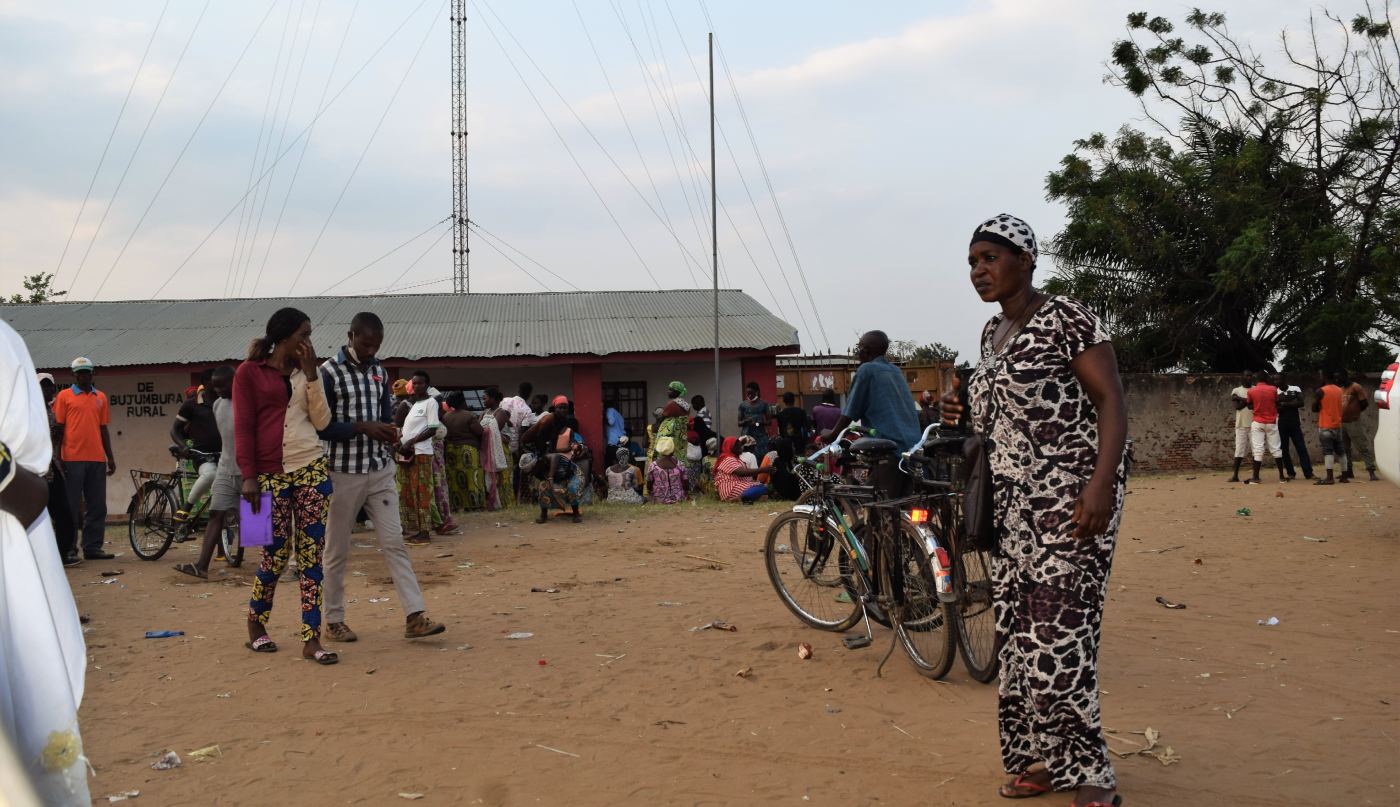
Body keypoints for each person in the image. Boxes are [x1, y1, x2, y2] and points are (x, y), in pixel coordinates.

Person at [941, 214, 1127, 807]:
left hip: (1071, 502)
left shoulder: (1066, 318)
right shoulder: (991, 333)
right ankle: (1039, 760)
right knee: (1018, 638)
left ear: (1026, 260)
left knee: (1059, 634)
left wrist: (1100, 484)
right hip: (1012, 508)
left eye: (990, 258)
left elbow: (1110, 401)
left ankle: (1090, 775)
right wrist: (959, 413)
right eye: (973, 262)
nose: (979, 271)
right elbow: (997, 425)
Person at [1, 318, 92, 805]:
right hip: (68, 460)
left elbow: (28, 483)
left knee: (78, 518)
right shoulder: (65, 402)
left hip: (69, 463)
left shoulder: (4, 348)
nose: (75, 383)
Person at [317, 314, 446, 643]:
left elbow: (383, 417)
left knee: (394, 543)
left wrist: (388, 432)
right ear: (351, 336)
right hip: (343, 471)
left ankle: (415, 616)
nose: (372, 350)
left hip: (378, 469)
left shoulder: (379, 371)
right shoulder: (328, 373)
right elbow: (323, 426)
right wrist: (362, 427)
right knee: (337, 548)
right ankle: (333, 621)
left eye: (377, 345)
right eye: (366, 344)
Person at [234, 307, 337, 664]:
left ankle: (311, 638)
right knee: (270, 556)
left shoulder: (311, 373)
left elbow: (322, 423)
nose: (308, 343)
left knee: (312, 558)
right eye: (303, 336)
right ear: (282, 337)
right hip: (262, 477)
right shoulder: (248, 372)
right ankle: (255, 625)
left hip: (311, 468)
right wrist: (247, 476)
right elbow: (243, 427)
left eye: (310, 336)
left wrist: (311, 376)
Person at [173, 366, 236, 579]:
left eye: (221, 385)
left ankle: (267, 563)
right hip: (217, 463)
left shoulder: (244, 403)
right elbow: (176, 429)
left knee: (253, 515)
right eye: (215, 385)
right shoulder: (212, 405)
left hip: (243, 467)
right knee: (216, 511)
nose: (217, 389)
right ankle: (201, 566)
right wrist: (184, 446)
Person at [51, 357, 117, 561]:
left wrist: (110, 457)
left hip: (97, 458)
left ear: (92, 373)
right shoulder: (64, 396)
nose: (83, 376)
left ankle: (93, 547)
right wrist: (58, 456)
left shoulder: (101, 397)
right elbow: (59, 429)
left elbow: (103, 428)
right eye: (79, 373)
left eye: (86, 372)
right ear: (74, 375)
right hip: (71, 458)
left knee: (97, 505)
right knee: (70, 506)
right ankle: (69, 548)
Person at [821, 331, 923, 453]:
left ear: (866, 350)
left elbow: (849, 412)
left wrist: (832, 435)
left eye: (860, 347)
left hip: (888, 448)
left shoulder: (866, 370)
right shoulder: (896, 371)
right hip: (914, 446)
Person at [521, 395, 585, 523]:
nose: (563, 410)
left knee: (571, 487)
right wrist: (543, 454)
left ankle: (576, 513)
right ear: (554, 408)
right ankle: (543, 515)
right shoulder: (549, 418)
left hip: (562, 466)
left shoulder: (562, 421)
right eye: (560, 408)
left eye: (565, 408)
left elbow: (553, 444)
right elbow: (539, 437)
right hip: (531, 445)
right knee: (544, 486)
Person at [38, 373, 80, 567]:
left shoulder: (50, 410)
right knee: (41, 516)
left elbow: (54, 439)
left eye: (49, 387)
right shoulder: (29, 410)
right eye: (42, 387)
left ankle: (62, 554)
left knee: (64, 513)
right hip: (36, 470)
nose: (46, 390)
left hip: (52, 467)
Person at [397, 371, 441, 546]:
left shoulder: (431, 403)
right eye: (413, 384)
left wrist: (410, 442)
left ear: (427, 385)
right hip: (409, 453)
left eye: (419, 383)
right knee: (409, 491)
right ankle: (416, 528)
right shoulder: (414, 404)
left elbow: (432, 429)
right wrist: (401, 443)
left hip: (421, 452)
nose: (416, 386)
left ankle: (425, 532)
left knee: (422, 491)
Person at [170, 377, 221, 523]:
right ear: (206, 385)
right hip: (201, 455)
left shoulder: (225, 402)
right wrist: (183, 446)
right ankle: (187, 507)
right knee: (211, 474)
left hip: (224, 455)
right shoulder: (191, 405)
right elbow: (175, 429)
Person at [442, 391, 485, 511]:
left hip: (451, 450)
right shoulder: (469, 415)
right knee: (472, 477)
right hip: (468, 449)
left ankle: (457, 504)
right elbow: (479, 431)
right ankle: (474, 505)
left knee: (455, 478)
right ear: (463, 401)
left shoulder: (446, 416)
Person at [1244, 371, 1286, 484]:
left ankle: (1256, 477)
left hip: (1258, 422)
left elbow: (1249, 405)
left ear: (1256, 379)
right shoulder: (1273, 389)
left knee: (1258, 450)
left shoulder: (1251, 391)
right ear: (1267, 379)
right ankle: (1282, 477)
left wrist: (1257, 405)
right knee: (1276, 449)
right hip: (1272, 422)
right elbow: (1276, 403)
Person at [1339, 371, 1377, 481]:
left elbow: (1364, 403)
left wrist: (1355, 412)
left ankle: (1371, 471)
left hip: (1354, 422)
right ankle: (1348, 471)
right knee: (1345, 449)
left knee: (1362, 446)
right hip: (1342, 422)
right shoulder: (1341, 389)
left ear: (1345, 377)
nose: (1338, 380)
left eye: (1339, 377)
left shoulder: (1356, 387)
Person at [479, 387, 513, 509]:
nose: (483, 401)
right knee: (489, 477)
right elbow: (479, 429)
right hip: (487, 449)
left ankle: (505, 504)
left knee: (502, 477)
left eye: (485, 398)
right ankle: (493, 503)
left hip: (500, 449)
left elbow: (492, 430)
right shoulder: (484, 412)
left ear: (493, 399)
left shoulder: (501, 413)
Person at [1313, 374, 1347, 485]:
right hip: (1338, 425)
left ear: (1324, 378)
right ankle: (1344, 476)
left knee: (1328, 451)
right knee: (1341, 451)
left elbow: (1314, 408)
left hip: (1325, 425)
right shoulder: (1339, 390)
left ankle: (1329, 477)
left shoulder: (1321, 391)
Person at [714, 436, 767, 503]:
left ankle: (749, 497)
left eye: (741, 445)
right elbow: (741, 472)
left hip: (736, 486)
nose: (741, 447)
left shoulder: (734, 458)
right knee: (762, 488)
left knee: (761, 487)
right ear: (730, 447)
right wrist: (763, 469)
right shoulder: (728, 459)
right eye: (737, 445)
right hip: (731, 488)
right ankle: (741, 498)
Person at [1276, 381, 1312, 480]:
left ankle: (1308, 473)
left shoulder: (1295, 388)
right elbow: (1276, 408)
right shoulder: (1275, 391)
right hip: (1282, 423)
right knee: (1284, 449)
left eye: (1278, 380)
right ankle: (1291, 473)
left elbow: (1301, 403)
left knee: (1301, 448)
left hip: (1295, 423)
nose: (1276, 382)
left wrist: (1284, 403)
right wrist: (1292, 402)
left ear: (1283, 379)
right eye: (1274, 380)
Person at [653, 381, 692, 461]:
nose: (668, 391)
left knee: (668, 449)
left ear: (676, 392)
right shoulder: (685, 405)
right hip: (681, 432)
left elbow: (661, 417)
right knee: (680, 451)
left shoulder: (672, 404)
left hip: (671, 432)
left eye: (670, 390)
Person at [646, 437, 689, 504]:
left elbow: (649, 484)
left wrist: (650, 493)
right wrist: (686, 493)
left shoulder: (653, 466)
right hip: (678, 498)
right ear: (673, 449)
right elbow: (686, 484)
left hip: (659, 499)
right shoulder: (680, 465)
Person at [1228, 374, 1252, 483]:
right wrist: (1249, 401)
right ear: (1242, 378)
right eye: (1247, 376)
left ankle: (1255, 475)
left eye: (1250, 376)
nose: (1249, 377)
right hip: (1241, 425)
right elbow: (1237, 407)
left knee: (1256, 450)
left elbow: (1255, 404)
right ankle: (1235, 476)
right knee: (1239, 450)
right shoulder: (1236, 390)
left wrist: (1240, 399)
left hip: (1254, 424)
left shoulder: (1256, 389)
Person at [737, 382, 771, 458]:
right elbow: (739, 423)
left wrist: (760, 422)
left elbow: (769, 421)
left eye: (751, 393)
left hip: (761, 437)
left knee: (762, 457)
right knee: (747, 458)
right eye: (747, 393)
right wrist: (746, 421)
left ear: (757, 392)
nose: (749, 395)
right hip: (747, 437)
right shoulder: (743, 405)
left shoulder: (764, 404)